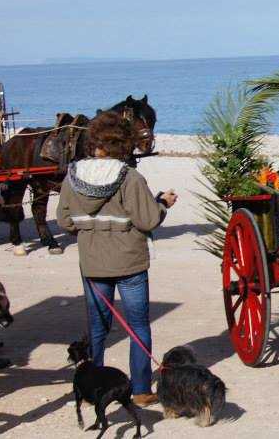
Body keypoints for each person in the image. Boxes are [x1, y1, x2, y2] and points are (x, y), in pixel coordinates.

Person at [57, 111, 178, 407]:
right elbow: (148, 220)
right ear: (124, 144)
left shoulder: (72, 177)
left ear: (94, 142)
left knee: (98, 328)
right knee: (137, 325)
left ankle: (92, 387)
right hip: (130, 262)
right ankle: (140, 389)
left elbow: (65, 222)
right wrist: (162, 203)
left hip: (93, 263)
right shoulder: (130, 177)